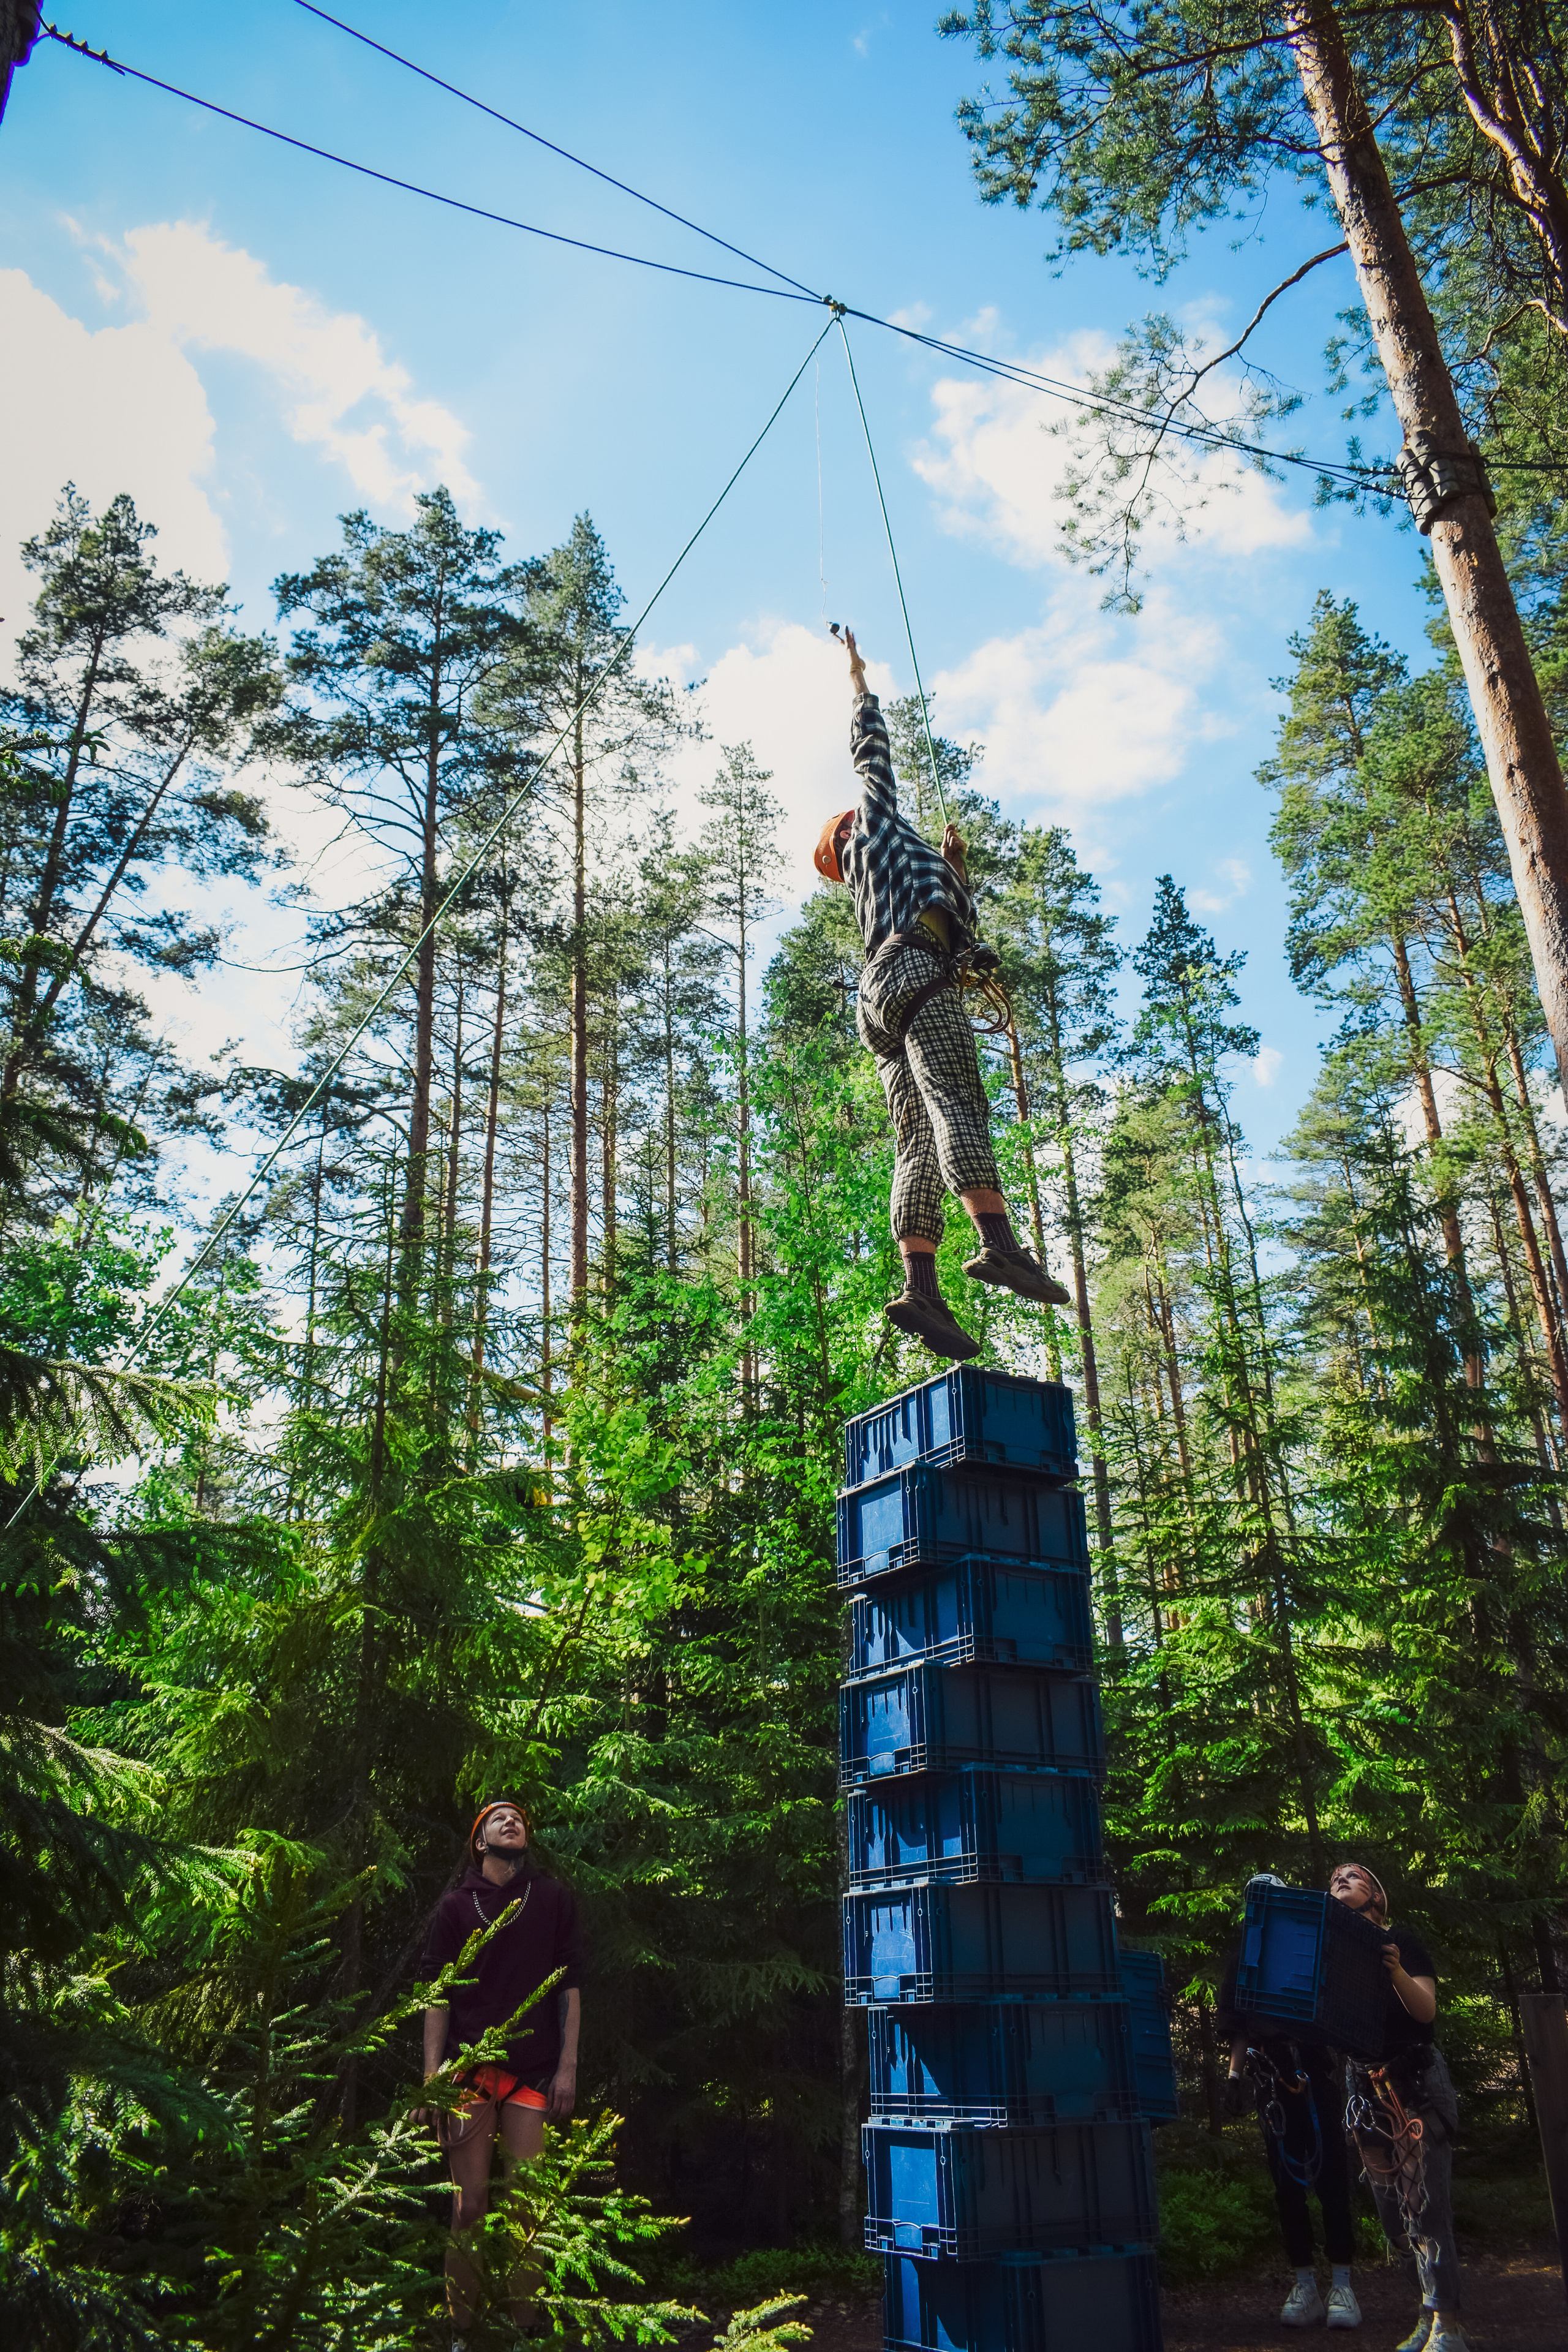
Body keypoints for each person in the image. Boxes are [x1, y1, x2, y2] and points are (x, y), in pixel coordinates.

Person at [815, 625, 1070, 1359]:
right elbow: (871, 755)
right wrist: (858, 678)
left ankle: (920, 1287)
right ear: (848, 831)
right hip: (916, 974)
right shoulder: (874, 826)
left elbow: (957, 923)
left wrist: (956, 870)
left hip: (881, 993)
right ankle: (997, 1244)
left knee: (914, 1141)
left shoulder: (890, 872)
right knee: (958, 1101)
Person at [418, 1797, 583, 2348]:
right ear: (480, 1842)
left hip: (532, 2074)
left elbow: (571, 1985)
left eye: (520, 1819)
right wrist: (432, 2076)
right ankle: (461, 2335)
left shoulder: (554, 1897)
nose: (514, 1821)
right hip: (468, 2073)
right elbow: (438, 1993)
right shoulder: (456, 1908)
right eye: (499, 1819)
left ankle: (523, 2333)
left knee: (526, 2211)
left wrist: (567, 2068)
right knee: (468, 2208)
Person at [1329, 1860, 1466, 2352]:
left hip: (1414, 2083)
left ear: (1378, 1897)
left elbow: (1426, 2011)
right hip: (1364, 2090)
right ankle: (1427, 2317)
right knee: (1392, 2217)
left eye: (1353, 1876)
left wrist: (1395, 1970)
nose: (1340, 1879)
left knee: (1424, 2208)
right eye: (1334, 1879)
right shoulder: (1336, 1958)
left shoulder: (1402, 1941)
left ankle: (1448, 2325)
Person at [1219, 1873, 1363, 2331]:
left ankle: (1343, 2284)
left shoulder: (1310, 1944)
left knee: (1332, 2178)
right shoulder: (1244, 1955)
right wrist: (1235, 2078)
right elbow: (1240, 2025)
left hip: (1314, 2069)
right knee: (1287, 2185)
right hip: (1272, 2078)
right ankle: (1304, 2284)